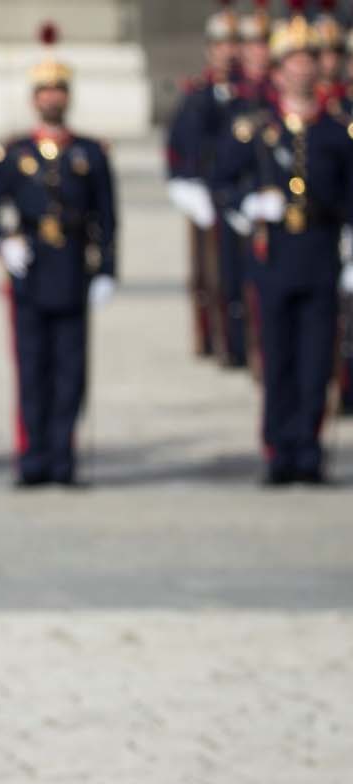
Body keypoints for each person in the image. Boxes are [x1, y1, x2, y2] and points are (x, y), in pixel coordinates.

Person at [215, 9, 353, 484]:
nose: (302, 68)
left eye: (309, 59)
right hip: (272, 258)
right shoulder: (254, 130)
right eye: (292, 60)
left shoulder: (337, 132)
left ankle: (309, 451)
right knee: (277, 359)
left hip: (319, 251)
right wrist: (251, 204)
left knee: (317, 360)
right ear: (276, 71)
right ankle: (279, 450)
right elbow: (223, 184)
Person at [0, 23, 119, 488]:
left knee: (71, 371)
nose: (52, 98)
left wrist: (107, 271)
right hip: (31, 268)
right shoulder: (14, 152)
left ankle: (63, 458)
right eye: (45, 90)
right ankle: (32, 459)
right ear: (34, 98)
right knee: (33, 368)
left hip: (75, 267)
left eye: (59, 90)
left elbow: (108, 215)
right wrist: (3, 239)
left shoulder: (89, 154)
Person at [168, 1, 249, 366]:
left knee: (243, 274)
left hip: (242, 194)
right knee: (211, 273)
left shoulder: (253, 95)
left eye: (235, 44)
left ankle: (243, 341)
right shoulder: (197, 95)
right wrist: (186, 186)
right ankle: (214, 337)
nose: (229, 52)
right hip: (206, 195)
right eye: (221, 44)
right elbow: (180, 147)